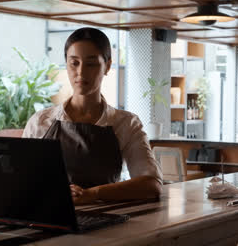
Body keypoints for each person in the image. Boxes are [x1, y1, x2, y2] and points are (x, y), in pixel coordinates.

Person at [23, 27, 162, 205]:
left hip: (106, 222)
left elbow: (151, 185)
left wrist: (92, 194)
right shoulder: (40, 121)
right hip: (48, 218)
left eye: (91, 63)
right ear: (66, 64)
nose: (81, 72)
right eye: (74, 63)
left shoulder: (126, 123)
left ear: (107, 66)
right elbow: (23, 180)